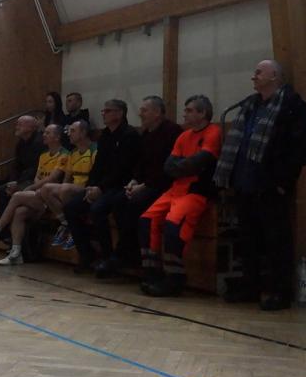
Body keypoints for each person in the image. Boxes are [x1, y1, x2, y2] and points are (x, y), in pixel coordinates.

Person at [214, 59, 306, 311]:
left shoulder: (293, 107)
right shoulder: (250, 105)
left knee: (276, 240)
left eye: (259, 72)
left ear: (274, 77)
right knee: (248, 239)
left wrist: (282, 182)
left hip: (271, 183)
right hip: (245, 182)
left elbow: (299, 150)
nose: (253, 76)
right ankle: (250, 285)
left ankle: (280, 291)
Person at [139, 95, 221, 296]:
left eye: (189, 110)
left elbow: (202, 161)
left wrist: (182, 167)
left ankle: (175, 278)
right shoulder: (184, 136)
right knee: (146, 220)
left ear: (203, 113)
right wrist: (184, 167)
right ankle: (152, 271)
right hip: (175, 190)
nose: (184, 114)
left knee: (173, 225)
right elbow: (169, 166)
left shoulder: (213, 132)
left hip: (196, 191)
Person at [96, 95, 182, 277]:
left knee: (132, 204)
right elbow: (140, 164)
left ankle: (126, 254)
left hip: (164, 185)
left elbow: (168, 168)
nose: (140, 114)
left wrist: (143, 185)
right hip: (145, 184)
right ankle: (127, 254)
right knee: (119, 201)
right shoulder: (146, 134)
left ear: (157, 113)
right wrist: (134, 181)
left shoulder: (173, 132)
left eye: (144, 110)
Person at [0, 124, 69, 265]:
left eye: (48, 133)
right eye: (44, 132)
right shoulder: (43, 156)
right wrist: (34, 188)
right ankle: (16, 253)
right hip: (39, 196)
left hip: (52, 198)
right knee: (19, 212)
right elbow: (37, 177)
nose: (44, 135)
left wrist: (31, 188)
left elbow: (53, 178)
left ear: (57, 137)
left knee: (17, 196)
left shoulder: (64, 155)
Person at [64, 99, 142, 274]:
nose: (103, 114)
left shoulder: (129, 135)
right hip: (102, 186)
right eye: (103, 110)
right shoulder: (105, 135)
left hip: (120, 185)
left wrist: (100, 188)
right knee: (71, 207)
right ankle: (87, 254)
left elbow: (123, 169)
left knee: (98, 209)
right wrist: (90, 186)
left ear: (119, 113)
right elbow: (98, 166)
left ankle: (109, 257)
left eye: (107, 111)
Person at [39, 120, 97, 251]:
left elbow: (96, 176)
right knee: (46, 189)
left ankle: (75, 225)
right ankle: (66, 223)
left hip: (88, 187)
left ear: (83, 133)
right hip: (73, 188)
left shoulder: (94, 150)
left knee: (65, 189)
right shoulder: (73, 153)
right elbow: (67, 177)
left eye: (73, 131)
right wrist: (60, 188)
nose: (69, 134)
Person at [0, 115, 45, 225]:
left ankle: (1, 227)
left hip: (34, 179)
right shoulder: (21, 143)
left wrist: (17, 183)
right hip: (23, 177)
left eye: (20, 124)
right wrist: (13, 181)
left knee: (5, 191)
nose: (16, 127)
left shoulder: (39, 143)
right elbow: (16, 166)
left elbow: (35, 168)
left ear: (31, 127)